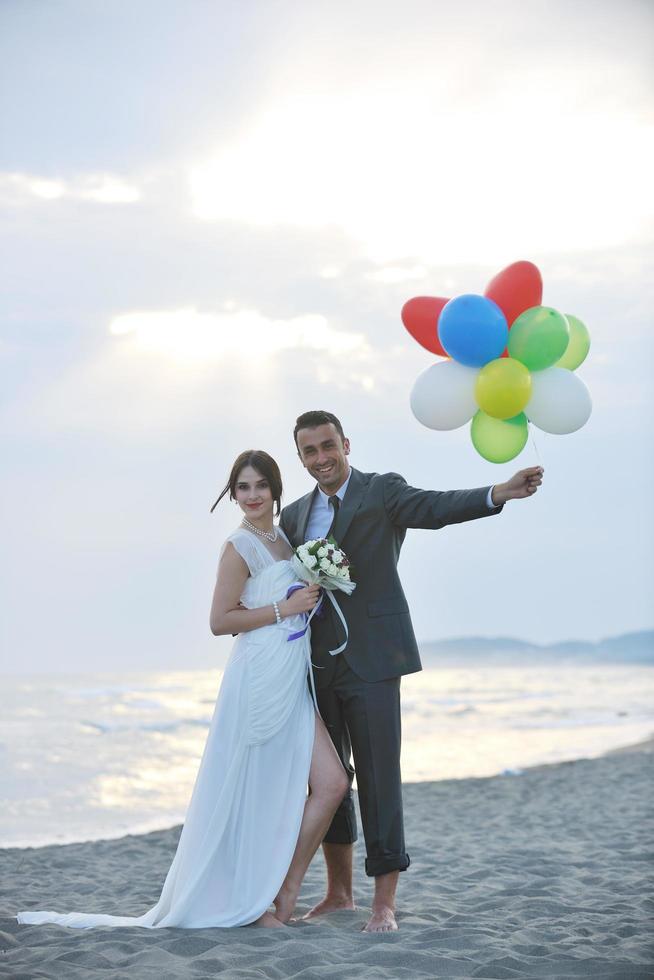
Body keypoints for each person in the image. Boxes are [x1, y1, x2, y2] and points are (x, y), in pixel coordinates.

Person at [17, 450, 348, 930]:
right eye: (242, 487)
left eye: (260, 486)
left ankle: (285, 891)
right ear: (233, 493)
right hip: (256, 677)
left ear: (276, 489)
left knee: (332, 783)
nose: (252, 496)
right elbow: (220, 621)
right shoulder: (239, 546)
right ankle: (252, 906)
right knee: (252, 791)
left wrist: (307, 597)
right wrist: (284, 607)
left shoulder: (283, 540)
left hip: (290, 675)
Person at [280, 411, 544, 933]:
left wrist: (499, 492)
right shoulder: (292, 517)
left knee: (380, 778)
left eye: (328, 445)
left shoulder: (382, 491)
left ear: (346, 443)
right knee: (329, 784)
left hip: (376, 659)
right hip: (316, 664)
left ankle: (384, 901)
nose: (321, 458)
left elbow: (436, 507)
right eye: (309, 451)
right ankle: (338, 893)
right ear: (301, 458)